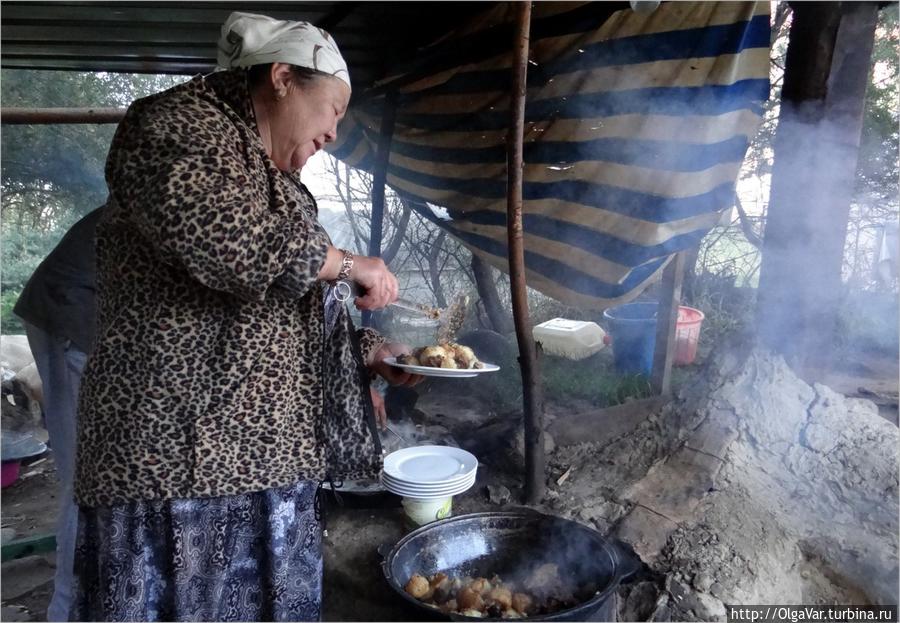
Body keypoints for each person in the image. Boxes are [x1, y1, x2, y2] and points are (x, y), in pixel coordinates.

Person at [71, 12, 420, 621]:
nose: (334, 133)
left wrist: (370, 351)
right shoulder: (172, 126)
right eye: (334, 109)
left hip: (268, 462)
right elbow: (229, 242)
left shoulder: (279, 182)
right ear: (282, 78)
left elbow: (295, 305)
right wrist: (346, 262)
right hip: (178, 463)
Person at [13, 206, 103, 622]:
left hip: (72, 308)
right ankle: (68, 609)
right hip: (73, 315)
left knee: (87, 476)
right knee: (88, 478)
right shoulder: (186, 195)